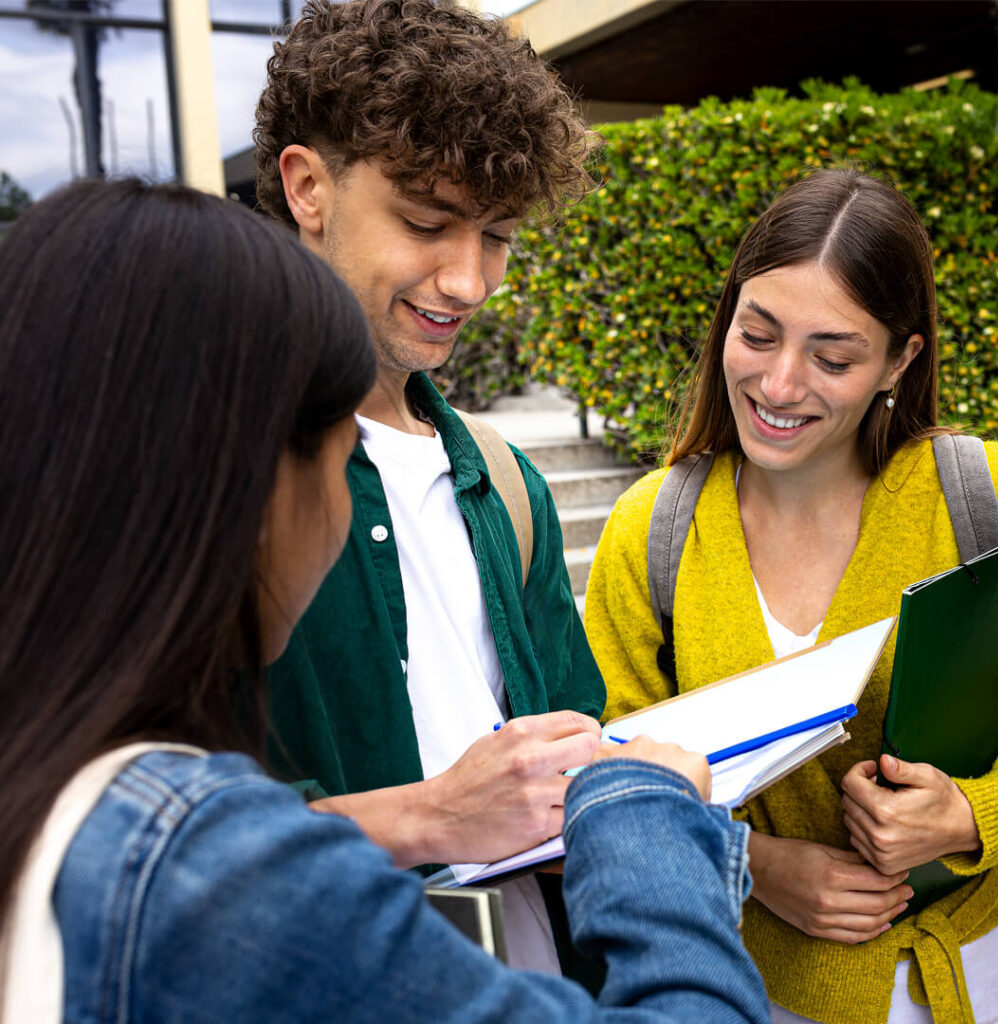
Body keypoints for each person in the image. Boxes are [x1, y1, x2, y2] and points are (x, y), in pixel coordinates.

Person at [0, 177, 770, 1023]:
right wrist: (646, 821)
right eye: (339, 461)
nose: (467, 281)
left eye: (499, 236)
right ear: (243, 488)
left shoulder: (67, 785)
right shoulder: (220, 876)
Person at [584, 169, 998, 1024]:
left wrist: (975, 814)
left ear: (900, 360)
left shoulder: (989, 498)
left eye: (833, 357)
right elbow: (607, 784)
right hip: (739, 992)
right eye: (758, 335)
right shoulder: (653, 531)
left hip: (971, 985)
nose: (780, 386)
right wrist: (752, 862)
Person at [253, 0, 605, 976]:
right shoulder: (210, 476)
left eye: (497, 235)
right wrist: (427, 817)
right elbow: (132, 816)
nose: (468, 281)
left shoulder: (506, 480)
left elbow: (579, 729)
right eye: (425, 222)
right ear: (307, 186)